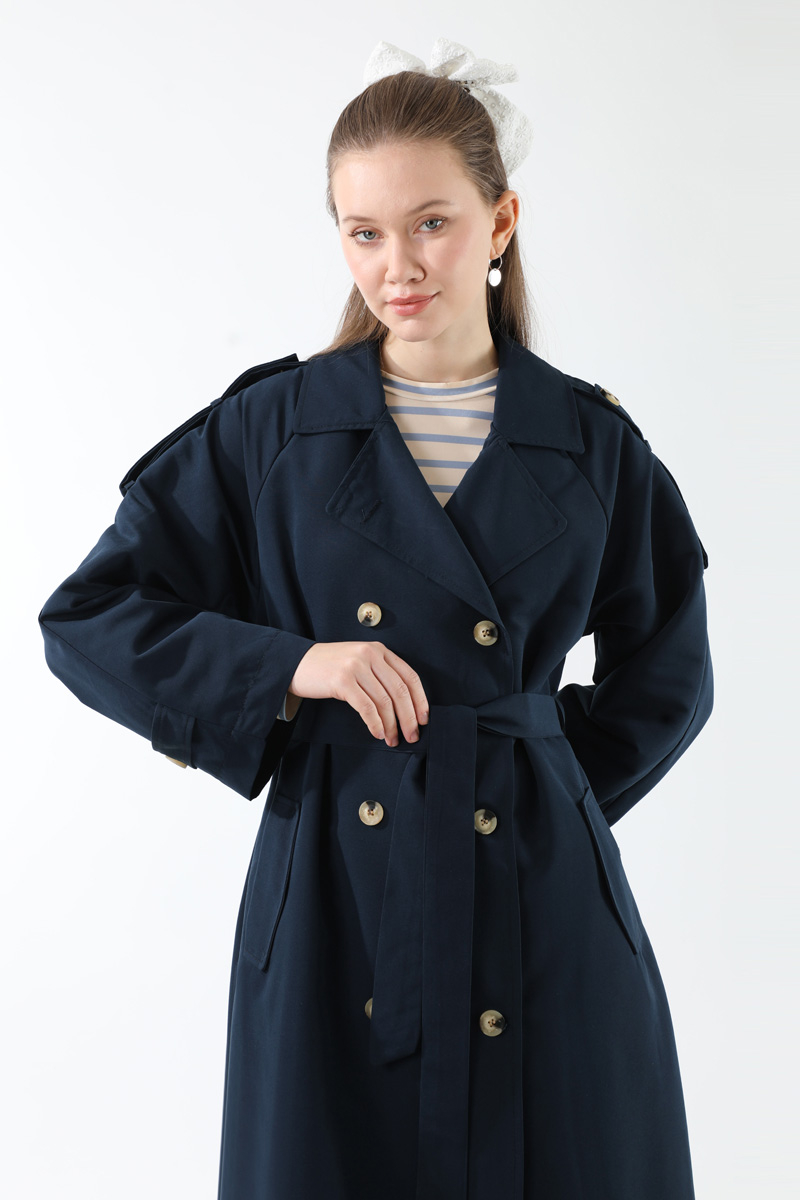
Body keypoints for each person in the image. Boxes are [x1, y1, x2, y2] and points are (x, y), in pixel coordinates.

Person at [38, 37, 713, 1200]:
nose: (395, 266)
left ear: (499, 222)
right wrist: (296, 666)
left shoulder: (591, 442)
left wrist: (519, 792)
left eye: (430, 223)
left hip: (541, 908)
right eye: (362, 231)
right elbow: (89, 617)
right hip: (335, 905)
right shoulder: (274, 430)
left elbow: (668, 677)